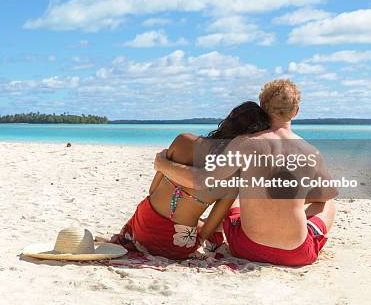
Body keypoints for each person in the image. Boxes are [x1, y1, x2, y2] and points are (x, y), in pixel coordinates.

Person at [154, 79, 337, 266]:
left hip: (246, 248)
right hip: (296, 254)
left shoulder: (246, 143)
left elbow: (202, 180)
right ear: (296, 112)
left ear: (263, 109)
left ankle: (212, 229)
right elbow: (325, 195)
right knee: (328, 203)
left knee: (234, 190)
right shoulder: (310, 151)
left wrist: (163, 164)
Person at [112, 102, 270, 260]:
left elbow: (152, 190)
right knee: (213, 232)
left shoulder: (183, 140)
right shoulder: (233, 176)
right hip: (175, 244)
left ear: (229, 120)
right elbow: (207, 232)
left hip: (142, 225)